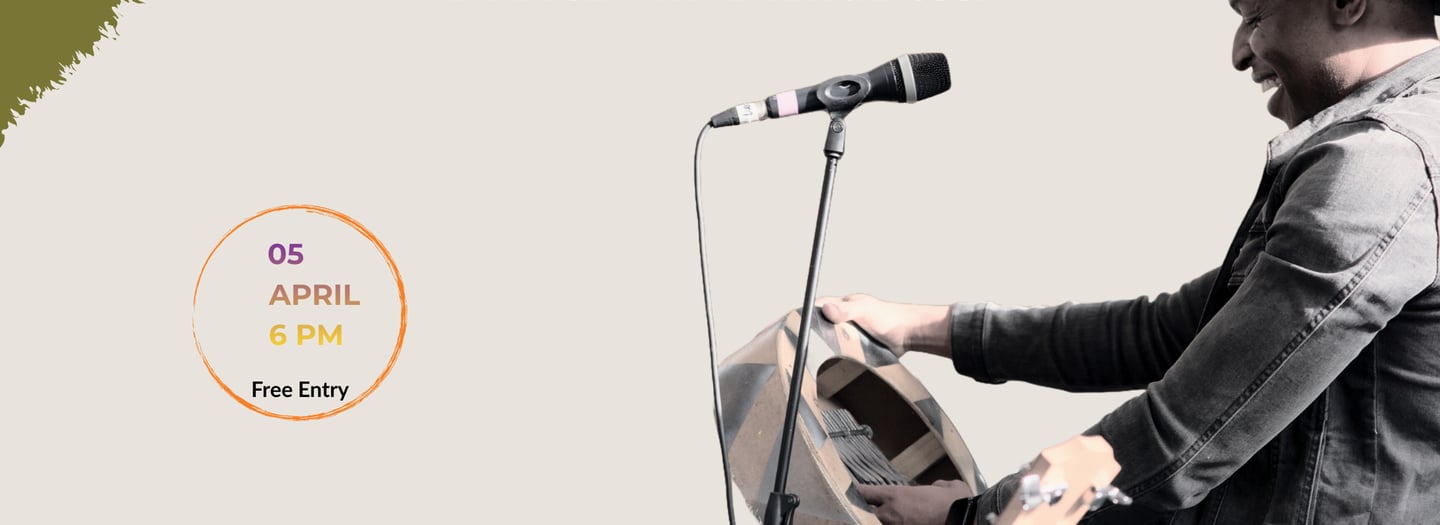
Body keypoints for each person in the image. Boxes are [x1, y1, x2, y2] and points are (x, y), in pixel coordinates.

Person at [818, 0, 1440, 523]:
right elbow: (1165, 332)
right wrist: (924, 327)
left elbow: (1183, 431)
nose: (1238, 53)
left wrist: (978, 516)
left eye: (1254, 15)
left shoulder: (1377, 169)